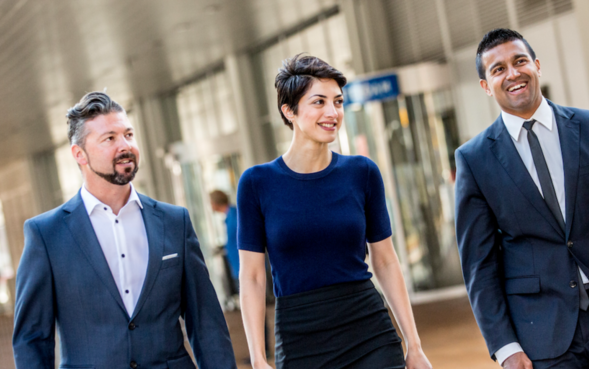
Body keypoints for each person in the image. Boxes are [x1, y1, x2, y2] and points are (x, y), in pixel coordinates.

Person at [455, 28, 589, 369]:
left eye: (520, 61)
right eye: (498, 69)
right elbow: (479, 264)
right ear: (485, 85)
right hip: (541, 331)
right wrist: (504, 344)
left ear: (537, 66)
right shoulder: (474, 159)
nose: (512, 73)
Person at [12, 92, 237, 369]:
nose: (125, 145)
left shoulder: (174, 221)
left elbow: (206, 321)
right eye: (110, 138)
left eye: (128, 135)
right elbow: (31, 338)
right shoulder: (46, 235)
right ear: (79, 154)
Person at [237, 54, 432, 369]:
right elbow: (253, 276)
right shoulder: (257, 183)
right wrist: (258, 358)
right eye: (318, 102)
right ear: (289, 111)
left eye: (338, 102)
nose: (332, 112)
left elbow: (385, 259)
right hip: (300, 335)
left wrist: (414, 344)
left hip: (369, 331)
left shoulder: (362, 172)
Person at [210, 190, 240, 295]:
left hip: (243, 266)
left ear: (216, 202)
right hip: (237, 266)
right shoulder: (229, 216)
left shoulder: (235, 215)